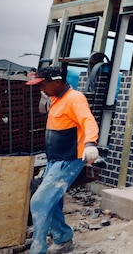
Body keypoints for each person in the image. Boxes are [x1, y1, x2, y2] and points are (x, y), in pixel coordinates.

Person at [27, 65, 100, 254]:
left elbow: (88, 121)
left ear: (57, 81)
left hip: (69, 159)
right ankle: (63, 239)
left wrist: (91, 143)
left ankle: (38, 249)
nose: (41, 88)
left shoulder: (75, 98)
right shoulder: (55, 98)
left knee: (40, 202)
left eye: (43, 84)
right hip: (55, 159)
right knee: (52, 201)